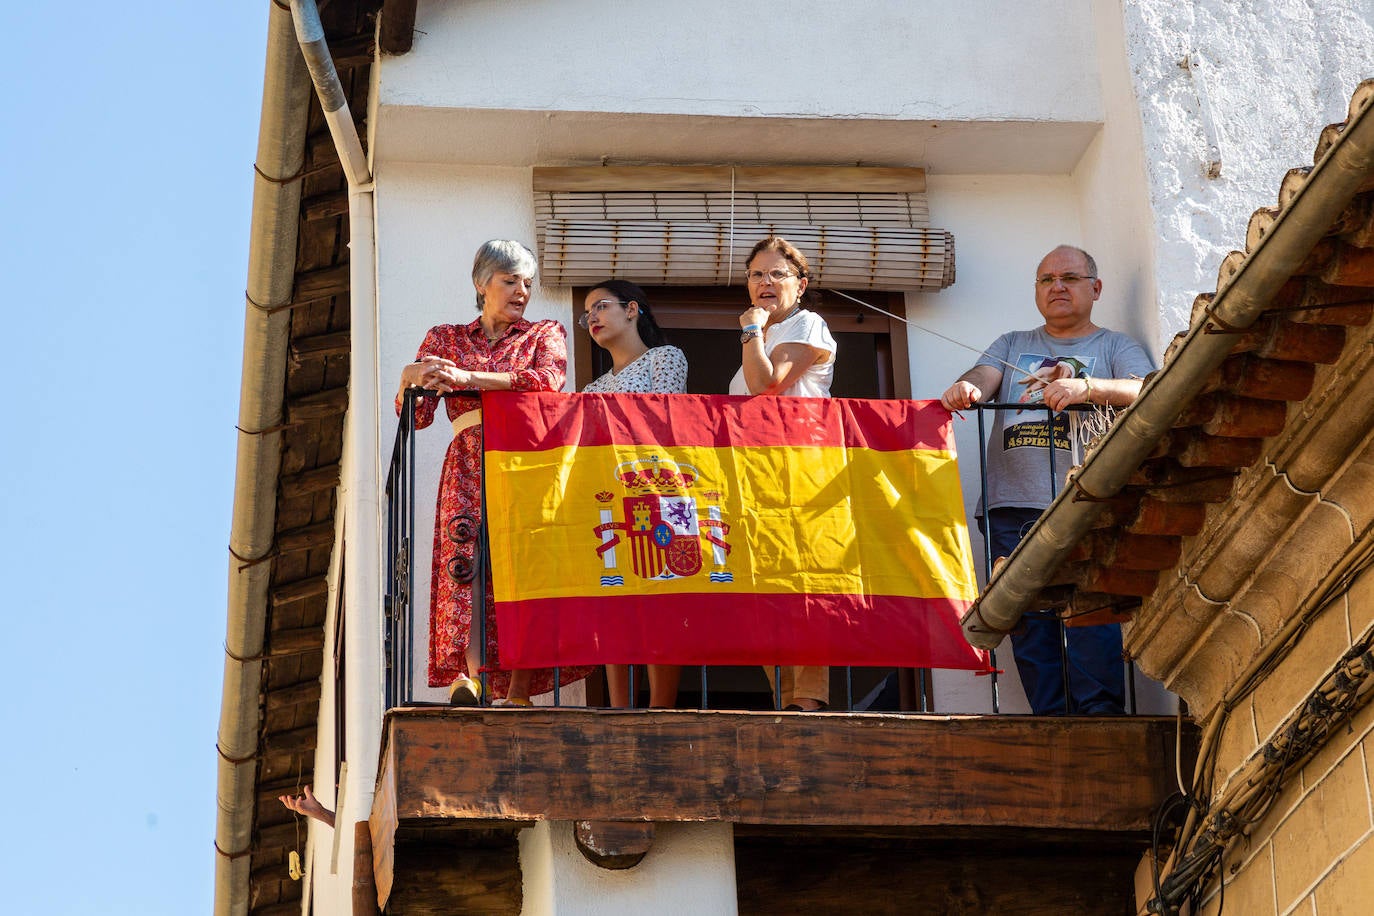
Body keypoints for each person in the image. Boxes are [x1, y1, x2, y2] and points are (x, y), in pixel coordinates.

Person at [940, 244, 1156, 715]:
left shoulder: (1114, 345)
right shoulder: (1012, 342)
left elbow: (1145, 389)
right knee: (1027, 618)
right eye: (1046, 279)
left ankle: (1100, 719)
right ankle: (1051, 719)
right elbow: (984, 373)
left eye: (1070, 278)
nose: (1057, 287)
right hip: (1012, 506)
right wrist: (969, 386)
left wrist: (1087, 387)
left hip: (1088, 502)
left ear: (1095, 288)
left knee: (1090, 614)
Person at [396, 239, 593, 707]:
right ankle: (471, 677)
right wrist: (411, 377)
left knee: (522, 567)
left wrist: (467, 379)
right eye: (510, 281)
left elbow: (545, 382)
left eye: (528, 282)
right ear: (482, 285)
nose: (522, 291)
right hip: (466, 458)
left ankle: (521, 691)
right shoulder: (445, 338)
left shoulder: (544, 332)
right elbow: (417, 417)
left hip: (524, 458)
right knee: (465, 562)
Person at [728, 237, 837, 711]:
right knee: (766, 583)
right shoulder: (761, 335)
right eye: (756, 274)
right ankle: (784, 700)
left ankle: (809, 698)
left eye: (777, 274)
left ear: (801, 283)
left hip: (803, 471)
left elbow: (765, 386)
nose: (765, 282)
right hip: (757, 474)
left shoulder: (807, 323)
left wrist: (752, 331)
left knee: (806, 579)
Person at [581, 279, 689, 708]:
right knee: (615, 599)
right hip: (610, 494)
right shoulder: (591, 389)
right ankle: (619, 709)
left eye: (600, 306)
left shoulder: (666, 358)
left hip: (662, 490)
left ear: (632, 310)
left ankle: (661, 709)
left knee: (662, 596)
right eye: (586, 311)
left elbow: (666, 416)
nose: (592, 316)